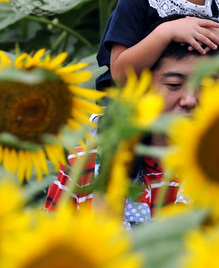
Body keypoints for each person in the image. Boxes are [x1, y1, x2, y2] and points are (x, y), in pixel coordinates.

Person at [44, 40, 210, 225]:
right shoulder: (86, 165)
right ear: (144, 88)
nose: (190, 100)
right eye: (174, 84)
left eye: (205, 85)